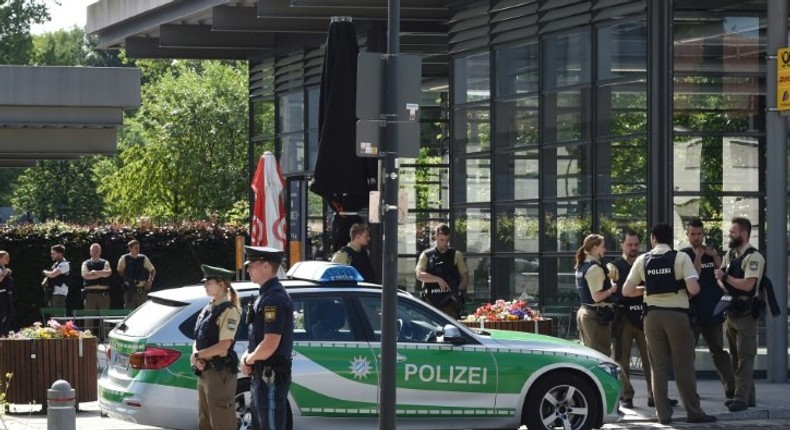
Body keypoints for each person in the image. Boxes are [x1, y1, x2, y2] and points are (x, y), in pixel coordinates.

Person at [622, 223, 716, 425]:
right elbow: (694, 288)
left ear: (653, 238)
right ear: (670, 239)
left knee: (658, 366)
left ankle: (663, 414)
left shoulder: (642, 259)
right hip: (677, 316)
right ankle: (694, 412)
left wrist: (648, 290)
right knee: (683, 365)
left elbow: (626, 291)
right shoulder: (680, 258)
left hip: (652, 317)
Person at [606, 228, 671, 409]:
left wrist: (634, 291)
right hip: (624, 318)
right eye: (629, 245)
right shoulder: (614, 266)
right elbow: (618, 292)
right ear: (622, 245)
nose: (633, 248)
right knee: (621, 359)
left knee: (652, 358)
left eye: (636, 244)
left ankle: (655, 396)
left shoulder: (647, 262)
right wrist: (643, 290)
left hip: (644, 315)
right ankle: (627, 395)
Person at [680, 218, 735, 401]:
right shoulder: (684, 254)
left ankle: (731, 387)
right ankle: (691, 392)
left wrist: (715, 257)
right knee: (688, 354)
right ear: (687, 234)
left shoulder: (711, 253)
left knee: (718, 350)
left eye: (699, 234)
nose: (696, 237)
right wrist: (697, 256)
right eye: (693, 234)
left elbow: (723, 274)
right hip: (693, 312)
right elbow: (693, 277)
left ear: (703, 233)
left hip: (713, 309)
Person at [240, 246, 293, 430]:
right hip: (261, 376)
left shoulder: (274, 300)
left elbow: (270, 343)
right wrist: (248, 357)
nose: (248, 270)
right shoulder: (264, 296)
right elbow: (258, 338)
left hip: (271, 376)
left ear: (266, 266)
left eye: (252, 265)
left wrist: (249, 359)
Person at [714, 217, 764, 413]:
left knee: (745, 356)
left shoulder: (754, 257)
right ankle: (748, 397)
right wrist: (723, 280)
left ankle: (740, 399)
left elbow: (748, 285)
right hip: (731, 312)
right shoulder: (731, 254)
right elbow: (721, 279)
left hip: (746, 313)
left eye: (733, 232)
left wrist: (725, 278)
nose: (730, 235)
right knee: (735, 355)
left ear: (744, 234)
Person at [191, 264, 241, 430]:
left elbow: (224, 346)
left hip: (219, 373)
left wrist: (199, 356)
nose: (205, 285)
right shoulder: (208, 308)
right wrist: (197, 356)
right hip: (205, 371)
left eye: (209, 282)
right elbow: (198, 339)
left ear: (222, 284)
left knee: (222, 423)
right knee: (204, 422)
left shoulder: (229, 310)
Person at [415, 224, 469, 319]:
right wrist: (438, 279)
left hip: (450, 303)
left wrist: (459, 291)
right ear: (435, 237)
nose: (445, 243)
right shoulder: (426, 255)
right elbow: (419, 275)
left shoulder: (456, 255)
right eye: (442, 240)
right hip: (431, 303)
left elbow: (465, 276)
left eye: (447, 240)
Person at [574, 233, 615, 357]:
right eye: (603, 246)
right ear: (595, 248)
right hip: (595, 316)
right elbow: (596, 297)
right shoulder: (594, 268)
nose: (605, 249)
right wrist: (612, 289)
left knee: (588, 353)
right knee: (600, 355)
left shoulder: (581, 266)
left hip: (585, 312)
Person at [81, 243, 113, 335]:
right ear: (90, 252)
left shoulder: (105, 262)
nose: (95, 252)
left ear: (100, 252)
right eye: (93, 251)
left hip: (104, 294)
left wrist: (94, 272)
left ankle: (105, 338)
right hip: (90, 294)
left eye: (97, 251)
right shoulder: (85, 263)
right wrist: (101, 274)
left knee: (105, 318)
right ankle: (88, 338)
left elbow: (108, 273)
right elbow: (85, 276)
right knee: (88, 318)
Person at [117, 239, 156, 310]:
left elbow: (152, 270)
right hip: (129, 290)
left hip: (141, 290)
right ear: (130, 248)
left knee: (143, 311)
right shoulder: (124, 258)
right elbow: (120, 270)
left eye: (138, 248)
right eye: (136, 248)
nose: (138, 250)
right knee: (129, 312)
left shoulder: (143, 258)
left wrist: (150, 280)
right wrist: (128, 278)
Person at [42, 244, 70, 309]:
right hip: (52, 292)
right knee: (53, 316)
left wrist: (44, 272)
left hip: (59, 293)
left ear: (60, 254)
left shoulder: (64, 264)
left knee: (59, 315)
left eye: (54, 253)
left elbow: (52, 274)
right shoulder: (56, 264)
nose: (52, 255)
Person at [0, 251, 14, 336]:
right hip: (1, 294)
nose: (8, 259)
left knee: (10, 313)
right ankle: (2, 333)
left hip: (7, 294)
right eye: (6, 257)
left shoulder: (4, 268)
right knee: (2, 314)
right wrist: (4, 274)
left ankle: (4, 332)